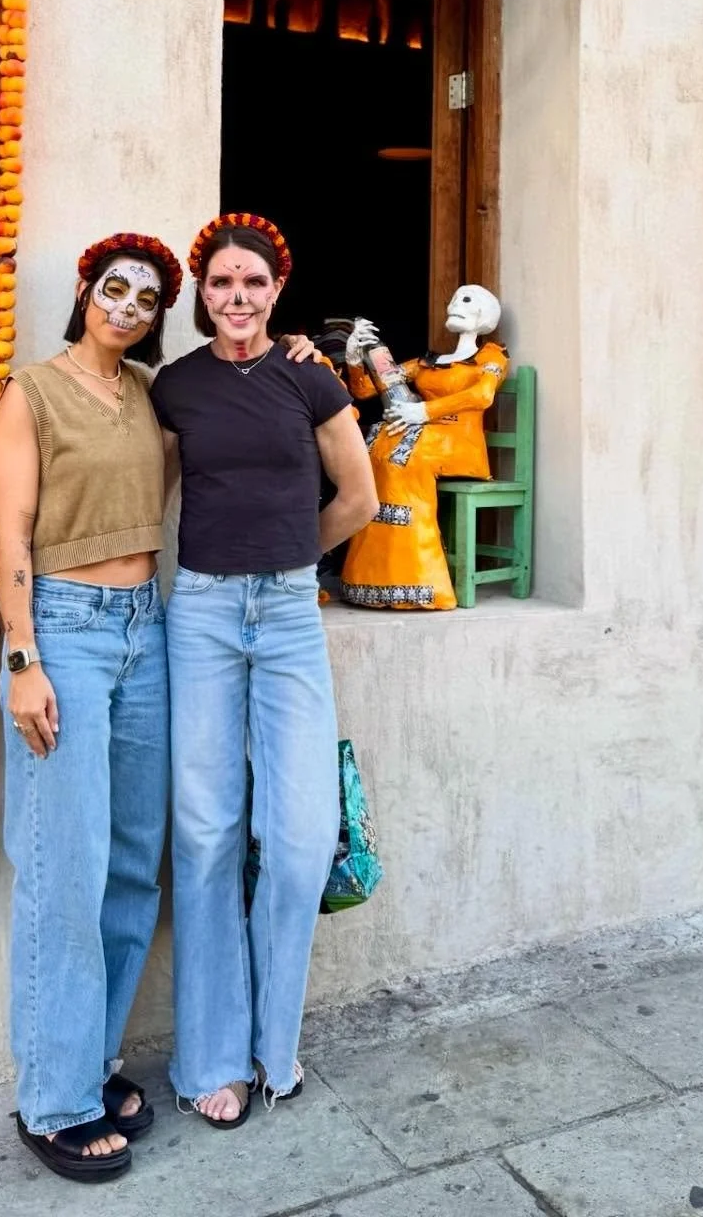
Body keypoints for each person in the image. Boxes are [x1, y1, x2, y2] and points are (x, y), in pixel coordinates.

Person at [151, 213, 379, 1128]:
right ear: (201, 297)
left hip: (286, 616)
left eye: (251, 284)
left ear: (277, 291)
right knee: (206, 837)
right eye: (219, 285)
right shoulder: (176, 388)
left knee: (296, 841)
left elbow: (358, 497)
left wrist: (291, 559)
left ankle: (272, 1044)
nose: (236, 299)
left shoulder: (310, 381)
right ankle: (212, 1057)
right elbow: (153, 497)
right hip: (201, 614)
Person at [0, 232, 181, 1184]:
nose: (130, 306)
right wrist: (25, 657)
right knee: (66, 861)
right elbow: (11, 531)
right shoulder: (33, 390)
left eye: (148, 299)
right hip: (64, 629)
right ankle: (53, 1099)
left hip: (148, 629)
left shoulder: (150, 396)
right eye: (117, 288)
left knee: (133, 859)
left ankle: (91, 1062)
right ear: (85, 290)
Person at [339, 286, 509, 610]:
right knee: (374, 450)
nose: (455, 304)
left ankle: (420, 581)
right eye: (455, 299)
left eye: (467, 300)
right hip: (424, 436)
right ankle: (370, 577)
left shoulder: (491, 356)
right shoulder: (429, 362)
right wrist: (355, 358)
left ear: (484, 314)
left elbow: (482, 396)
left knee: (403, 460)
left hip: (460, 443)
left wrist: (423, 411)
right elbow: (366, 389)